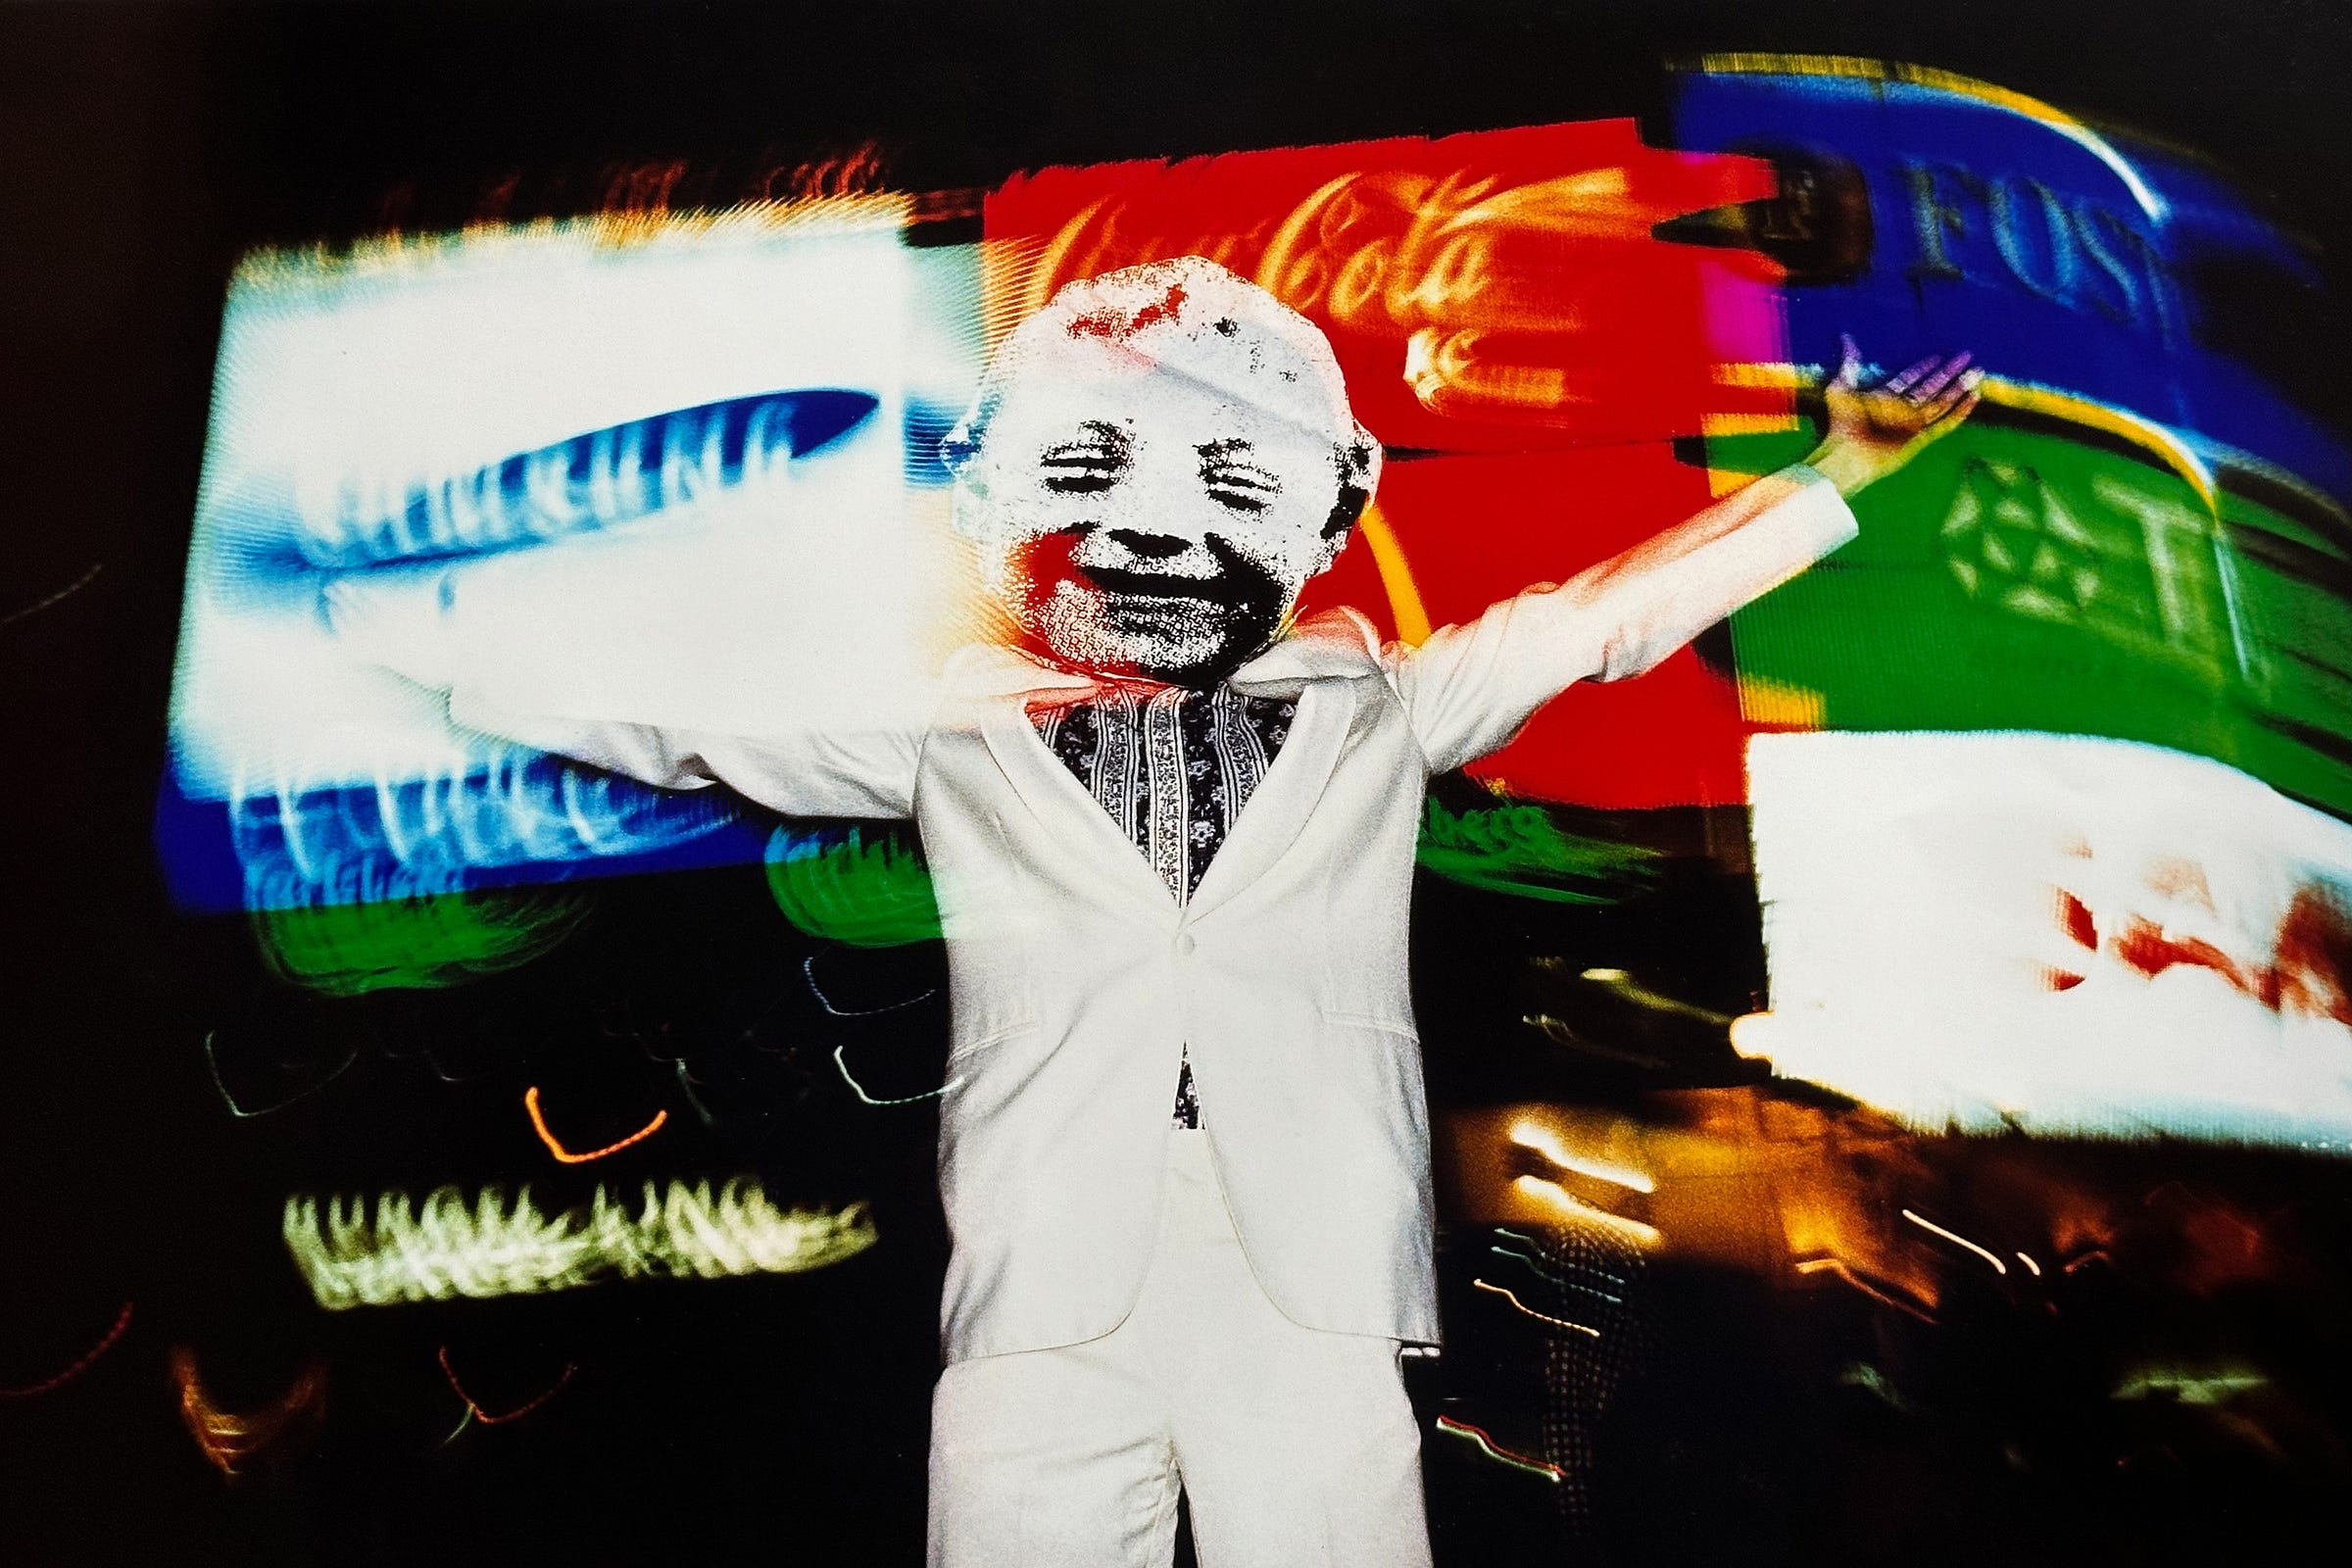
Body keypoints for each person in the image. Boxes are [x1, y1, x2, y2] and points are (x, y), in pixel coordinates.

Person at [327, 254, 1980, 1566]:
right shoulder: (951, 734)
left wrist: (1838, 474)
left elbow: (1607, 617)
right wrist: (405, 635)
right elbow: (680, 716)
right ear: (1003, 504)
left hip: (1310, 1268)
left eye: (1226, 481)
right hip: (1046, 1273)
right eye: (1090, 470)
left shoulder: (1382, 709)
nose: (1152, 531)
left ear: (1329, 511)